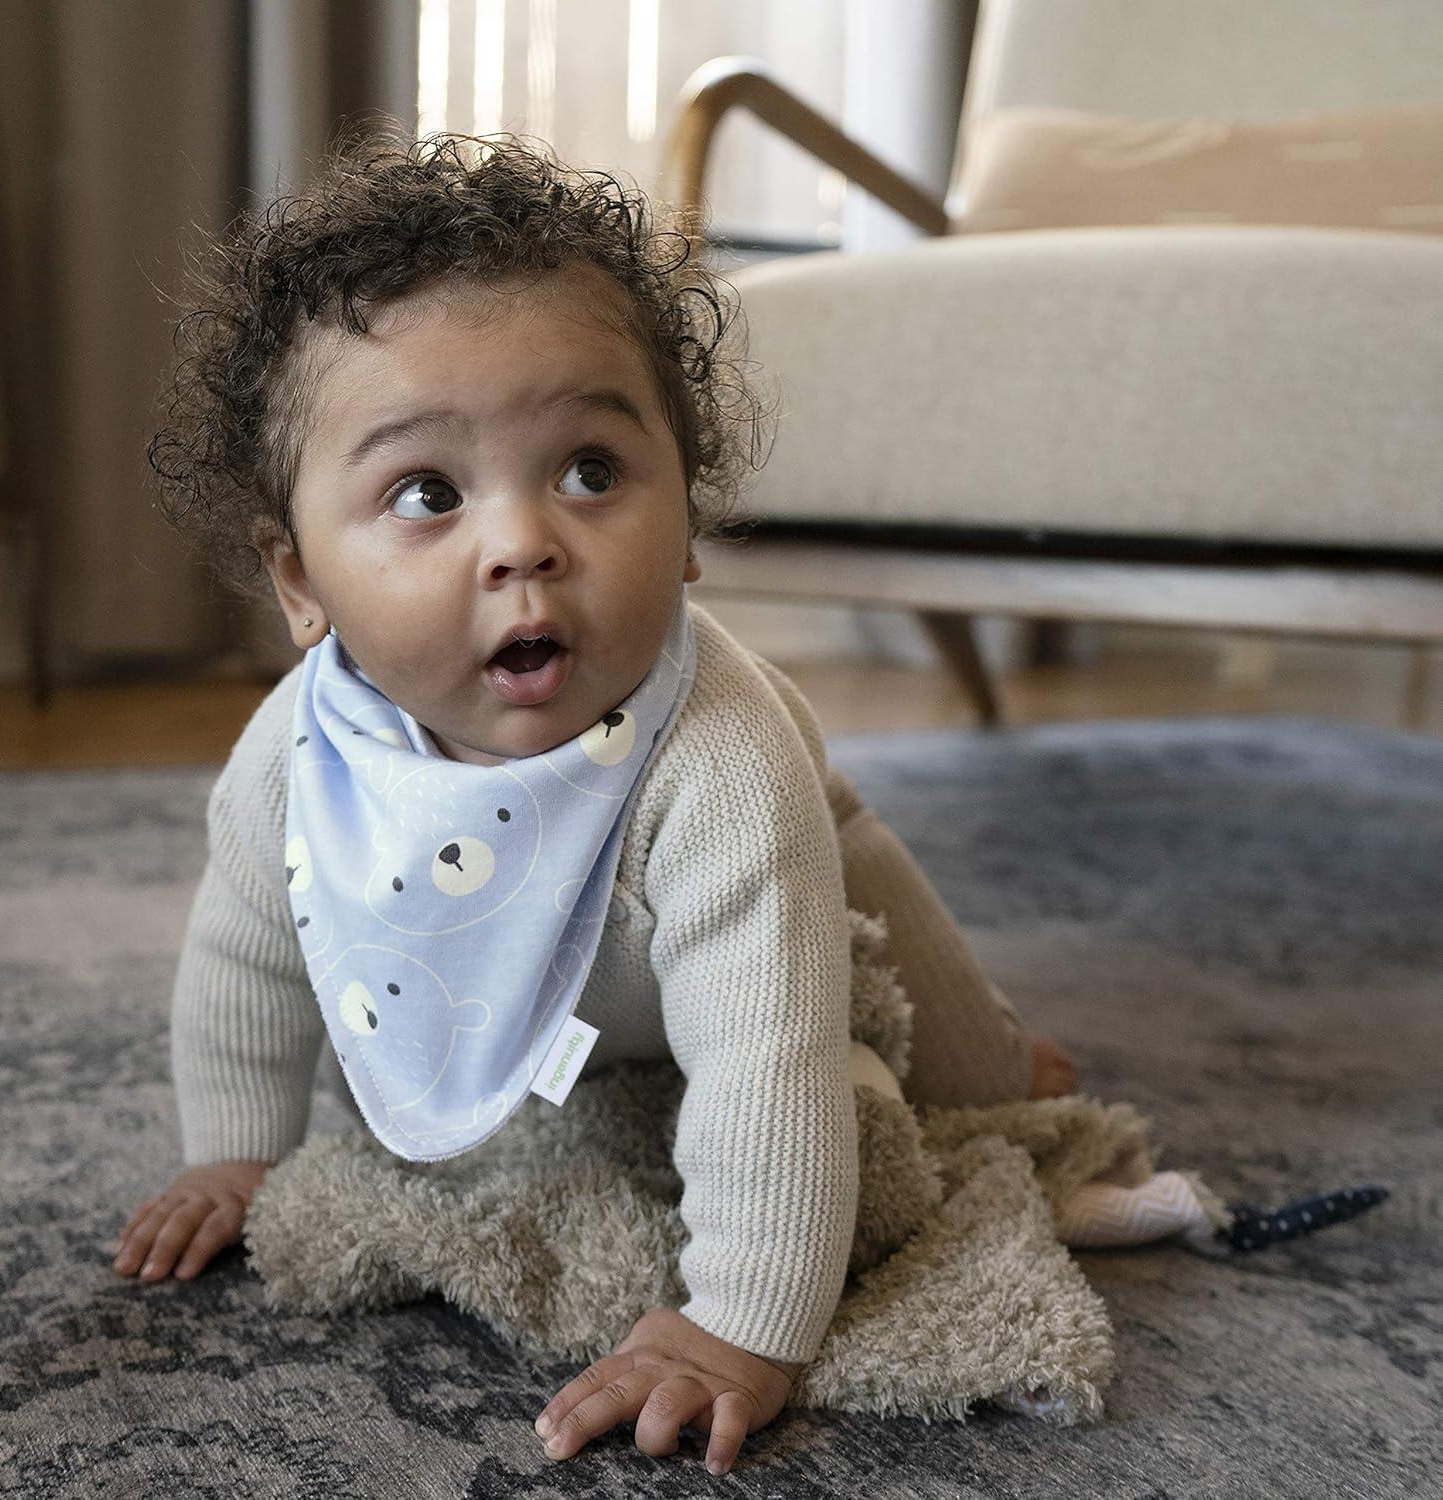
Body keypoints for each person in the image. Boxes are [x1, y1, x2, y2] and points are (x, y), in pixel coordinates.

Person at [113, 131, 1076, 1477]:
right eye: (426, 493)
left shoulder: (723, 760)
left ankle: (1000, 1058)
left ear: (688, 522)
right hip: (552, 989)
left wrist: (739, 1323)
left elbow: (772, 1054)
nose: (524, 542)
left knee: (922, 1045)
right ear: (300, 582)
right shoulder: (304, 760)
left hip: (762, 915)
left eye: (591, 471)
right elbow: (248, 956)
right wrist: (235, 1156)